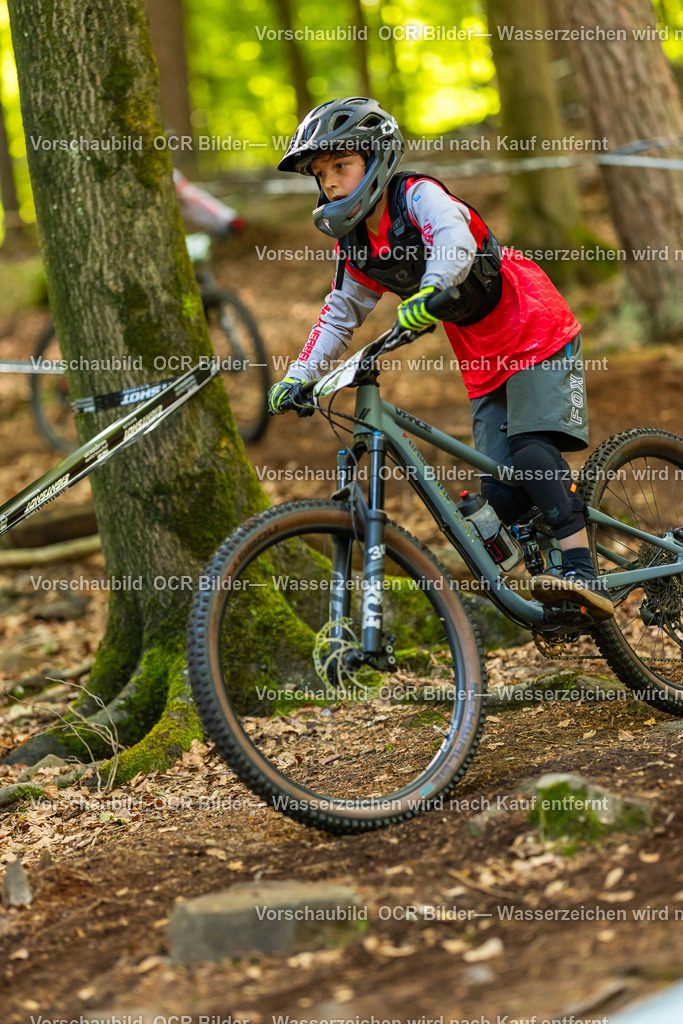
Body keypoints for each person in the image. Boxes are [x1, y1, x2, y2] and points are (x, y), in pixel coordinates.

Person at [267, 97, 613, 621]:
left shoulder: (419, 196)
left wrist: (429, 290)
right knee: (499, 483)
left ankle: (583, 569)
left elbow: (453, 241)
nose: (331, 182)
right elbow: (339, 314)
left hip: (533, 321)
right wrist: (300, 376)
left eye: (341, 165)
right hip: (479, 348)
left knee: (530, 449)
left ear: (375, 159)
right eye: (321, 173)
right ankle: (545, 569)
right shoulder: (357, 245)